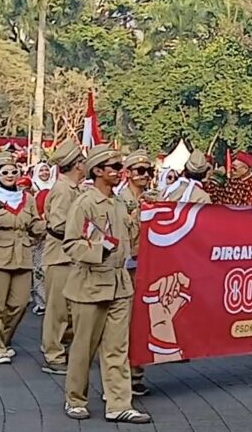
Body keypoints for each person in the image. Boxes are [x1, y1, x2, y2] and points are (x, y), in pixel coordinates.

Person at [62, 145, 152, 424]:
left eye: (119, 166)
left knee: (117, 348)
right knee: (84, 347)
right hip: (90, 282)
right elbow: (71, 243)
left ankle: (118, 404)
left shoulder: (119, 202)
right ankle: (75, 399)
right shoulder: (85, 203)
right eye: (112, 167)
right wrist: (98, 249)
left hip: (119, 283)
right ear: (97, 171)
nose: (118, 172)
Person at [0, 152, 45, 365]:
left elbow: (34, 226)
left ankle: (1, 338)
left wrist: (50, 224)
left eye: (14, 171)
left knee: (20, 303)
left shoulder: (27, 198)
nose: (10, 175)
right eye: (5, 172)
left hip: (22, 255)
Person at [40, 139, 86, 374]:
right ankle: (53, 354)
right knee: (57, 310)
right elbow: (57, 224)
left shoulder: (73, 189)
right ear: (78, 165)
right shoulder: (63, 190)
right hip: (60, 256)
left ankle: (61, 349)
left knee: (69, 309)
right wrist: (83, 231)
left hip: (69, 257)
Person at [118, 148, 153, 396]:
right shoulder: (119, 200)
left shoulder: (155, 198)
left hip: (149, 268)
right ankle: (121, 378)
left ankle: (136, 375)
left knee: (142, 323)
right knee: (123, 325)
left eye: (148, 171)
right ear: (128, 173)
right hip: (124, 268)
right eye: (140, 171)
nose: (145, 175)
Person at [29, 162, 56, 316]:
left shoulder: (56, 187)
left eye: (47, 169)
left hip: (53, 235)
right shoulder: (32, 187)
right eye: (42, 170)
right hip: (40, 234)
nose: (45, 172)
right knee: (39, 267)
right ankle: (41, 300)